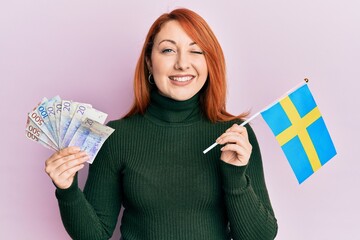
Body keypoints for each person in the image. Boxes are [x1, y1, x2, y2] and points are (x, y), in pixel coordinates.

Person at [45, 8, 278, 240]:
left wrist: (235, 176)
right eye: (168, 50)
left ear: (210, 62)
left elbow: (260, 237)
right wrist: (67, 190)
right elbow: (95, 234)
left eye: (196, 51)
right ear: (149, 61)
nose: (182, 64)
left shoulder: (235, 135)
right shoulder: (115, 137)